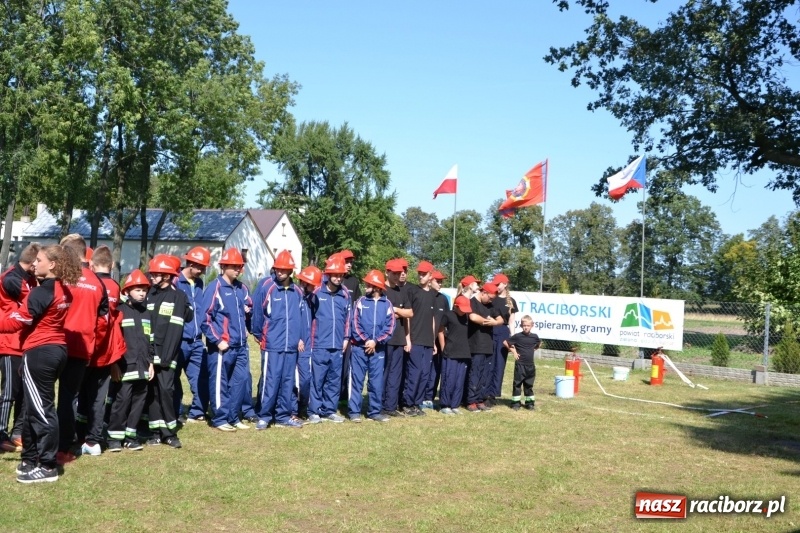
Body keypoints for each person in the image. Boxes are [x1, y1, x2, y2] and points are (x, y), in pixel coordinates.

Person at [0, 244, 82, 483]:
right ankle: (31, 457)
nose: (33, 264)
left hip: (40, 352)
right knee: (33, 408)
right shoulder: (62, 289)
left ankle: (47, 466)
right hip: (54, 350)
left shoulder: (42, 291)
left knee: (41, 409)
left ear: (53, 264)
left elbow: (18, 321)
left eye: (39, 260)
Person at [57, 234, 109, 465]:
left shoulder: (63, 277)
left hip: (57, 344)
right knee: (69, 398)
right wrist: (92, 343)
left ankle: (55, 444)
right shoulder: (98, 282)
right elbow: (103, 320)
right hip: (83, 349)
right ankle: (66, 445)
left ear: (69, 253)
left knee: (51, 397)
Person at [76, 245, 124, 456]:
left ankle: (76, 436)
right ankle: (94, 439)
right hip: (106, 350)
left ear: (92, 265)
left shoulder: (90, 283)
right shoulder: (115, 287)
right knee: (98, 398)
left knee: (78, 395)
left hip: (85, 348)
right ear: (112, 265)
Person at [251, 250, 306, 429]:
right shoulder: (266, 286)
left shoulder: (297, 291)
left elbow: (301, 317)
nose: (280, 272)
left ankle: (283, 415)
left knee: (287, 381)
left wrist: (300, 338)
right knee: (270, 379)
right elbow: (257, 313)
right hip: (272, 343)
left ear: (291, 271)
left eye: (284, 270)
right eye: (277, 269)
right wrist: (258, 334)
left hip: (291, 345)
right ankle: (264, 415)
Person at [201, 248, 253, 432]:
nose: (238, 270)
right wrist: (217, 340)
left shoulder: (242, 288)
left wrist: (247, 324)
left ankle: (233, 416)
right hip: (222, 347)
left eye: (239, 266)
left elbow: (249, 307)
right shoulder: (215, 287)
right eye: (234, 266)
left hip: (240, 346)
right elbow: (204, 318)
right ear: (224, 266)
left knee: (240, 381)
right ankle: (220, 418)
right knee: (219, 383)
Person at [145, 254, 190, 448]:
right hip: (149, 354)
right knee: (152, 391)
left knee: (165, 391)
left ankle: (169, 433)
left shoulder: (178, 297)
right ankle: (155, 431)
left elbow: (176, 329)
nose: (152, 277)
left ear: (166, 276)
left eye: (156, 274)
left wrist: (164, 358)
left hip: (167, 355)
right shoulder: (149, 294)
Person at [106, 270, 155, 452]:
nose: (142, 293)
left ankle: (130, 436)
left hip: (143, 367)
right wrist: (114, 364)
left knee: (138, 402)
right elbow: (113, 340)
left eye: (144, 290)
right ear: (127, 291)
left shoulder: (147, 314)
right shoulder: (120, 311)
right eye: (137, 290)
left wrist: (151, 363)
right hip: (124, 367)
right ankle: (113, 437)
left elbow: (150, 340)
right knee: (122, 401)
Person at [0, 242, 39, 453]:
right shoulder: (11, 278)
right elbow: (30, 302)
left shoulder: (30, 279)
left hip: (24, 343)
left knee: (25, 393)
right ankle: (0, 433)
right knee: (9, 392)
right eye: (39, 262)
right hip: (9, 343)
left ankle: (18, 432)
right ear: (33, 263)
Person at [306, 253, 351, 424]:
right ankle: (314, 410)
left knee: (334, 380)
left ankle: (329, 410)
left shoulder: (345, 294)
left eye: (341, 275)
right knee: (317, 379)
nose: (339, 278)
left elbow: (348, 318)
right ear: (328, 274)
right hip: (319, 344)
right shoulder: (317, 292)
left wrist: (346, 338)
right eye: (336, 275)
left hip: (338, 344)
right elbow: (308, 318)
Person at [348, 269, 395, 422]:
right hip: (359, 349)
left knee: (376, 382)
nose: (365, 285)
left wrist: (376, 341)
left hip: (378, 350)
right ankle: (354, 412)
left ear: (376, 287)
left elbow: (390, 327)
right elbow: (355, 324)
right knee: (357, 380)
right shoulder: (361, 302)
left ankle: (374, 412)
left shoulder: (387, 304)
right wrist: (366, 340)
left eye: (368, 283)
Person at [175, 246, 210, 423]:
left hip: (196, 341)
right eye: (200, 267)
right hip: (179, 340)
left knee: (200, 376)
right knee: (174, 379)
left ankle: (197, 411)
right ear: (190, 263)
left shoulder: (199, 284)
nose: (203, 271)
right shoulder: (176, 283)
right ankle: (175, 411)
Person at [401, 260, 436, 417]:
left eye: (424, 274)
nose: (421, 276)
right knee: (414, 373)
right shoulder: (412, 291)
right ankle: (407, 403)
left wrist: (434, 340)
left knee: (424, 374)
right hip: (415, 339)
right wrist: (407, 338)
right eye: (419, 273)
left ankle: (416, 403)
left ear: (430, 276)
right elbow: (407, 316)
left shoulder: (432, 295)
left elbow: (432, 319)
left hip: (428, 341)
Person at [381, 259, 412, 418]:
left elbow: (410, 313)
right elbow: (381, 312)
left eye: (399, 273)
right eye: (394, 273)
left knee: (395, 374)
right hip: (384, 339)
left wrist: (395, 310)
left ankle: (390, 406)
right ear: (387, 272)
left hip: (399, 338)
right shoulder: (381, 290)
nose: (397, 276)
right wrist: (397, 312)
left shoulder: (402, 291)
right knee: (383, 373)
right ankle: (378, 405)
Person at [466, 283, 504, 412]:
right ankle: (471, 400)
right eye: (490, 298)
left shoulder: (490, 305)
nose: (491, 300)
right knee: (475, 373)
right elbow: (472, 317)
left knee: (485, 374)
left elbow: (500, 319)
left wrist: (495, 322)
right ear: (483, 293)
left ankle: (480, 399)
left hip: (488, 345)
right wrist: (487, 321)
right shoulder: (472, 302)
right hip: (476, 345)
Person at [437, 295, 473, 415]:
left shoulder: (467, 317)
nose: (464, 311)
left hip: (464, 352)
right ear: (456, 306)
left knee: (459, 380)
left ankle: (455, 404)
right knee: (449, 378)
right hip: (450, 352)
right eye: (462, 309)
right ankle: (445, 405)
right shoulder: (448, 315)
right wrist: (443, 347)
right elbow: (440, 330)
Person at [294, 265, 321, 419]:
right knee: (294, 379)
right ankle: (293, 410)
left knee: (306, 379)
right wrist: (297, 338)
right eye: (313, 285)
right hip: (297, 345)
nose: (314, 288)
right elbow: (291, 320)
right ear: (305, 282)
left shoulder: (310, 299)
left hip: (308, 345)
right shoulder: (296, 297)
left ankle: (302, 408)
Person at [487, 273, 518, 407]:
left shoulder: (511, 302)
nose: (497, 286)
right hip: (490, 331)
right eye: (495, 283)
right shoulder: (491, 299)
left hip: (503, 333)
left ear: (505, 284)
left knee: (499, 365)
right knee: (488, 363)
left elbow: (511, 322)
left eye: (499, 283)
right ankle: (484, 393)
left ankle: (493, 395)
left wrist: (513, 340)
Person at [421, 269, 448, 409]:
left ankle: (429, 398)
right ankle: (420, 397)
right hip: (424, 338)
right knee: (424, 369)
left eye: (442, 281)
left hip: (439, 339)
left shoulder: (443, 299)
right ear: (430, 281)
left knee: (436, 370)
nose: (441, 283)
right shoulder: (425, 295)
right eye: (438, 281)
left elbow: (446, 321)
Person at [503, 315, 541, 410]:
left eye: (528, 325)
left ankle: (529, 403)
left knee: (529, 384)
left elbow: (539, 343)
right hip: (520, 365)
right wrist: (514, 352)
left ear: (532, 325)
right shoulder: (518, 336)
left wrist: (534, 348)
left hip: (530, 365)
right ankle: (516, 403)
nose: (526, 327)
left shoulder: (534, 337)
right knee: (517, 384)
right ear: (521, 325)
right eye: (524, 325)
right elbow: (506, 342)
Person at [339, 249, 361, 401]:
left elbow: (358, 304)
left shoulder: (354, 281)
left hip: (349, 330)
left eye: (351, 262)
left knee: (346, 365)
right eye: (346, 262)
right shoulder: (331, 278)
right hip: (333, 329)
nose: (349, 265)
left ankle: (343, 396)